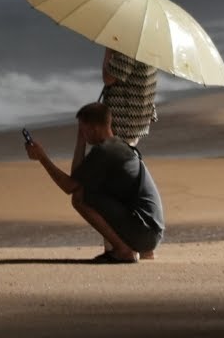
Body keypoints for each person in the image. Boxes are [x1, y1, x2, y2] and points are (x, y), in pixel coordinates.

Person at [24, 102, 164, 263]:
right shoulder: (117, 145)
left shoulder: (104, 152)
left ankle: (123, 251)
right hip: (150, 232)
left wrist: (42, 158)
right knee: (87, 190)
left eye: (83, 129)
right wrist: (81, 140)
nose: (81, 133)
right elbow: (77, 176)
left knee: (80, 197)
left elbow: (69, 186)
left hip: (145, 234)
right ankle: (130, 248)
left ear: (94, 128)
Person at [101, 47, 158, 146]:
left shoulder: (129, 48)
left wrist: (109, 51)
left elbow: (108, 78)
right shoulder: (149, 48)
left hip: (123, 119)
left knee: (116, 155)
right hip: (138, 117)